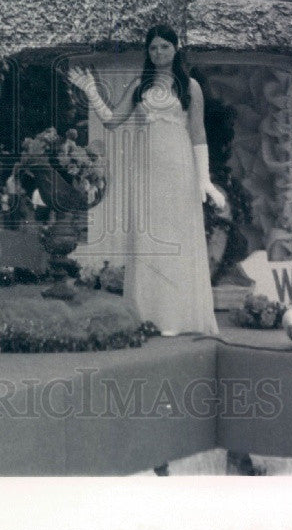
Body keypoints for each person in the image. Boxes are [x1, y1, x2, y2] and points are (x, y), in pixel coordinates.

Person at [67, 25, 224, 336]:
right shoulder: (140, 85)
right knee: (150, 239)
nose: (159, 53)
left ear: (176, 49)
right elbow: (112, 122)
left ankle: (180, 318)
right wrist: (92, 91)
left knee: (177, 237)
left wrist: (204, 180)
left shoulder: (189, 86)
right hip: (147, 169)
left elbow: (198, 133)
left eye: (165, 47)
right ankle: (151, 315)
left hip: (179, 167)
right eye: (153, 48)